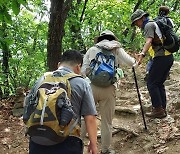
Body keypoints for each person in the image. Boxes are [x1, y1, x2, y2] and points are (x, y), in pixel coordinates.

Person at [26, 50, 98, 154]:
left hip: (38, 138)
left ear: (59, 64)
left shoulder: (41, 79)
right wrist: (93, 143)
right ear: (78, 67)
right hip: (68, 141)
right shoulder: (82, 83)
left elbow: (28, 107)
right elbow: (90, 118)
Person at [81, 30, 137, 154]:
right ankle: (105, 149)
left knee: (85, 118)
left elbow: (83, 70)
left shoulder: (92, 49)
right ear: (112, 38)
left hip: (91, 87)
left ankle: (78, 147)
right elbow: (131, 63)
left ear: (100, 39)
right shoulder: (117, 49)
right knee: (107, 122)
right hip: (109, 89)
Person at [131, 9, 174, 118]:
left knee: (151, 83)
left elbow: (149, 41)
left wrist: (142, 54)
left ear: (141, 18)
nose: (136, 25)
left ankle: (158, 109)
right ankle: (162, 109)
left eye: (136, 22)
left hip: (161, 57)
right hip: (168, 57)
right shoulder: (154, 24)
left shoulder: (148, 25)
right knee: (158, 83)